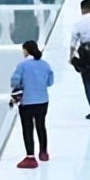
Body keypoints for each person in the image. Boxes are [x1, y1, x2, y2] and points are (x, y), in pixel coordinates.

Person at [11, 40, 53, 168]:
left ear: (26, 50)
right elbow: (50, 81)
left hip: (27, 101)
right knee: (41, 125)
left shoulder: (22, 65)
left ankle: (30, 157)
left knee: (27, 128)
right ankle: (44, 152)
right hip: (43, 100)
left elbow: (15, 81)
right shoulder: (45, 65)